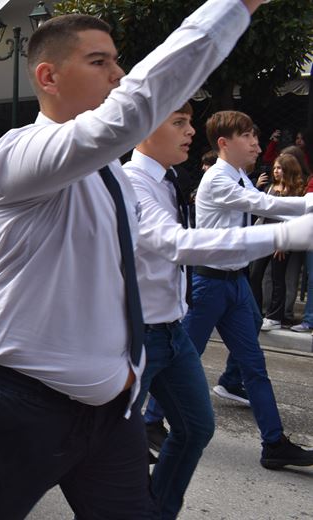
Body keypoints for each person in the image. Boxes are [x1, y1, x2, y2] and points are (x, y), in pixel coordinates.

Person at [0, 1, 269, 518]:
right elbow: (130, 110)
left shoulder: (112, 173)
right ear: (48, 77)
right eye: (99, 62)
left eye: (117, 61)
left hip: (111, 409)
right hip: (23, 403)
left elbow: (148, 253)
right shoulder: (17, 152)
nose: (117, 74)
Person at [124, 104, 313, 518]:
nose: (191, 132)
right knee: (101, 448)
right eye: (179, 123)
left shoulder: (170, 179)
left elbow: (259, 201)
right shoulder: (138, 182)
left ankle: (271, 442)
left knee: (206, 417)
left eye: (189, 122)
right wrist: (289, 231)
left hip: (189, 312)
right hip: (156, 320)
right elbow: (178, 242)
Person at [181, 109, 313, 469]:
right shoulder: (218, 180)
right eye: (248, 137)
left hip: (235, 283)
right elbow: (264, 205)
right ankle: (148, 422)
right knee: (181, 359)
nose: (257, 143)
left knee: (255, 366)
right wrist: (307, 204)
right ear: (225, 143)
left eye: (255, 136)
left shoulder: (240, 176)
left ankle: (274, 443)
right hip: (209, 284)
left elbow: (257, 215)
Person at [249, 153, 306, 331]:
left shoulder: (296, 191)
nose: (275, 171)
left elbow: (295, 218)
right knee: (255, 274)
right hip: (265, 236)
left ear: (288, 169)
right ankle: (256, 312)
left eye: (279, 168)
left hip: (281, 238)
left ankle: (274, 317)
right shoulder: (270, 188)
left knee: (277, 277)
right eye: (274, 168)